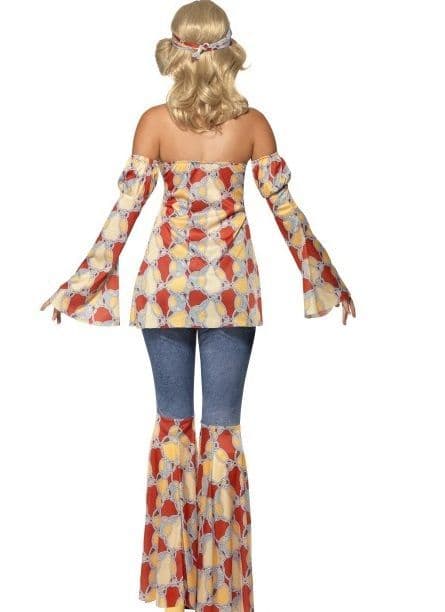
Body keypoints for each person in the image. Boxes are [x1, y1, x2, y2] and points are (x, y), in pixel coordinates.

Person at [40, 1, 356, 610]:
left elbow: (123, 217)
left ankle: (173, 587)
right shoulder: (253, 125)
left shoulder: (154, 123)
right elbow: (287, 214)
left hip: (165, 288)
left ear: (175, 51)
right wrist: (326, 277)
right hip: (230, 290)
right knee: (221, 433)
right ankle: (221, 589)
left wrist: (81, 282)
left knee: (173, 429)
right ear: (228, 52)